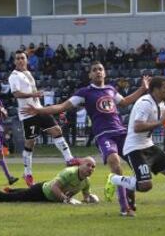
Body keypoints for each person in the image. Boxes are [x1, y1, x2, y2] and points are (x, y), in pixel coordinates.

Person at [21, 61, 150, 216]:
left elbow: (124, 102)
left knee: (139, 167)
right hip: (104, 135)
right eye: (94, 70)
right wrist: (39, 110)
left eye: (100, 69)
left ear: (105, 73)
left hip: (122, 133)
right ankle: (124, 208)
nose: (98, 72)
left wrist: (142, 89)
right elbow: (62, 107)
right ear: (90, 74)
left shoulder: (110, 89)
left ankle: (126, 188)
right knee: (115, 164)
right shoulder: (85, 92)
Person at [104, 76, 165, 217]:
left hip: (149, 145)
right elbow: (137, 126)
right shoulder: (145, 102)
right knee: (145, 186)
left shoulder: (159, 103)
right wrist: (160, 122)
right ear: (155, 89)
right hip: (135, 148)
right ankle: (114, 179)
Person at [8, 50, 81, 187]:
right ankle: (27, 173)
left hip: (39, 109)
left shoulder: (28, 73)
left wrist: (36, 96)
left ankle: (69, 159)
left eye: (22, 58)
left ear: (26, 60)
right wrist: (33, 94)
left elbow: (30, 93)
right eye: (17, 58)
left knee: (57, 130)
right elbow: (16, 94)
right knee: (30, 143)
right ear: (14, 61)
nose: (20, 60)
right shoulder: (14, 76)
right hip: (28, 113)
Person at [0, 157, 98, 205]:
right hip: (41, 192)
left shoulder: (86, 182)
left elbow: (86, 197)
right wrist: (66, 200)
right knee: (5, 199)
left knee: (19, 194)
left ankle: (12, 190)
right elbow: (55, 188)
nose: (91, 168)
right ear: (81, 164)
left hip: (47, 197)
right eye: (88, 165)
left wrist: (90, 199)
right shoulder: (69, 172)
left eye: (93, 167)